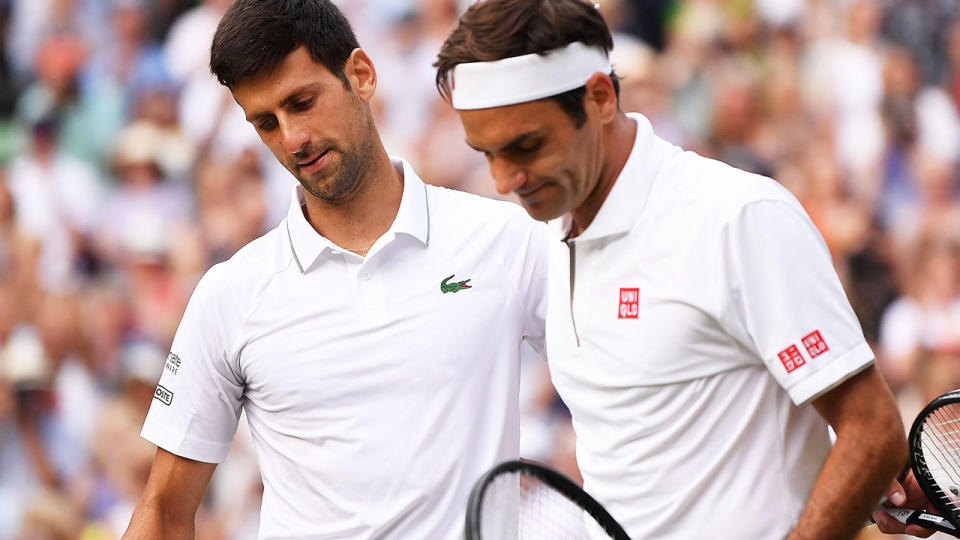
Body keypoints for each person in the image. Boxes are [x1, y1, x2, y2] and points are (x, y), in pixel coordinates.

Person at [434, 1, 908, 538]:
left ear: (600, 98)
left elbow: (872, 430)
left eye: (526, 146)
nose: (504, 179)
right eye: (487, 153)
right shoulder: (548, 237)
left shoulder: (737, 218)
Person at [122, 1, 547, 538]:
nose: (292, 139)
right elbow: (162, 511)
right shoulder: (229, 294)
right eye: (265, 123)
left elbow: (624, 379)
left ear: (361, 75)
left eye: (302, 102)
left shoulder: (504, 240)